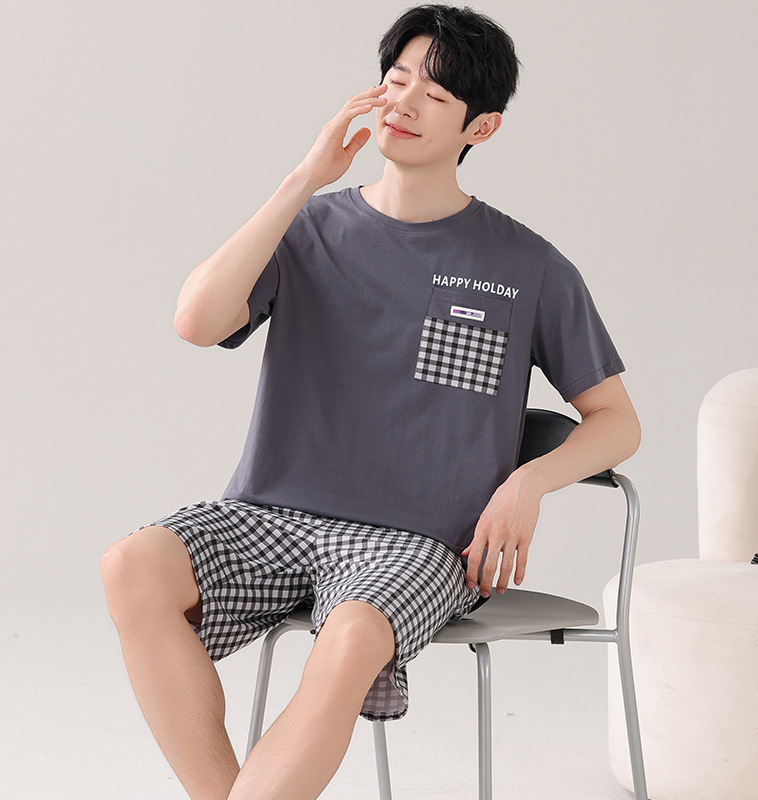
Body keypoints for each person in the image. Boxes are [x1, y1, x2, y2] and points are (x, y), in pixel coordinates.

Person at [100, 4, 641, 799]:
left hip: (420, 544)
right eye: (396, 79)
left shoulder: (529, 267)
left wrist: (528, 482)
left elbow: (617, 422)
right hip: (271, 516)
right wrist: (302, 180)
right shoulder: (308, 227)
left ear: (481, 128)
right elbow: (196, 322)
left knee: (352, 633)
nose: (404, 102)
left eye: (436, 94)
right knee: (132, 565)